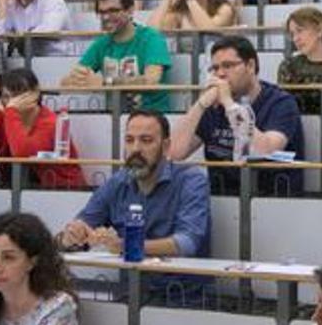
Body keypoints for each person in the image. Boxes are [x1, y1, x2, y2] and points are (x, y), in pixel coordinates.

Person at [58, 110, 210, 297]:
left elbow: (187, 243)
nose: (135, 149)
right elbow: (83, 223)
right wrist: (73, 235)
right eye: (129, 140)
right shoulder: (117, 182)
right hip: (130, 293)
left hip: (184, 296)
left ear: (165, 147)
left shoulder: (191, 180)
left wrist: (126, 246)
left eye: (146, 141)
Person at [170, 36, 304, 195]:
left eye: (227, 66)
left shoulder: (281, 102)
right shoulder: (211, 105)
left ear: (251, 65)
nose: (220, 74)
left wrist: (229, 104)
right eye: (215, 68)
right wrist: (200, 104)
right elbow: (174, 152)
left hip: (273, 199)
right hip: (222, 199)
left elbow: (266, 149)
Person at [0, 68, 86, 189]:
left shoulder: (51, 123)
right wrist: (0, 113)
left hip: (61, 192)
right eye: (6, 96)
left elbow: (22, 153)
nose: (13, 102)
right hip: (15, 193)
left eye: (18, 95)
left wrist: (10, 111)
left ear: (36, 92)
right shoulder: (8, 116)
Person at [62, 0, 172, 112]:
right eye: (101, 12)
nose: (106, 17)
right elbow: (65, 84)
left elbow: (151, 80)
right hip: (113, 120)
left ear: (130, 10)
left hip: (152, 118)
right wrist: (78, 78)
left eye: (113, 10)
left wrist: (105, 83)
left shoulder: (152, 38)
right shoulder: (101, 44)